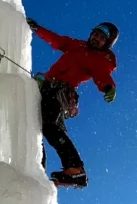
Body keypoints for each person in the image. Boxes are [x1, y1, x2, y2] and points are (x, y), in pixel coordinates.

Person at [26, 19, 119, 188]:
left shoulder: (98, 59)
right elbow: (58, 40)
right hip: (48, 87)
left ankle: (75, 169)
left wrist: (108, 87)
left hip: (62, 91)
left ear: (106, 44)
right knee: (37, 126)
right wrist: (37, 28)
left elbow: (102, 75)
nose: (96, 38)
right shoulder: (77, 45)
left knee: (49, 125)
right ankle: (35, 170)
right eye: (95, 34)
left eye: (101, 38)